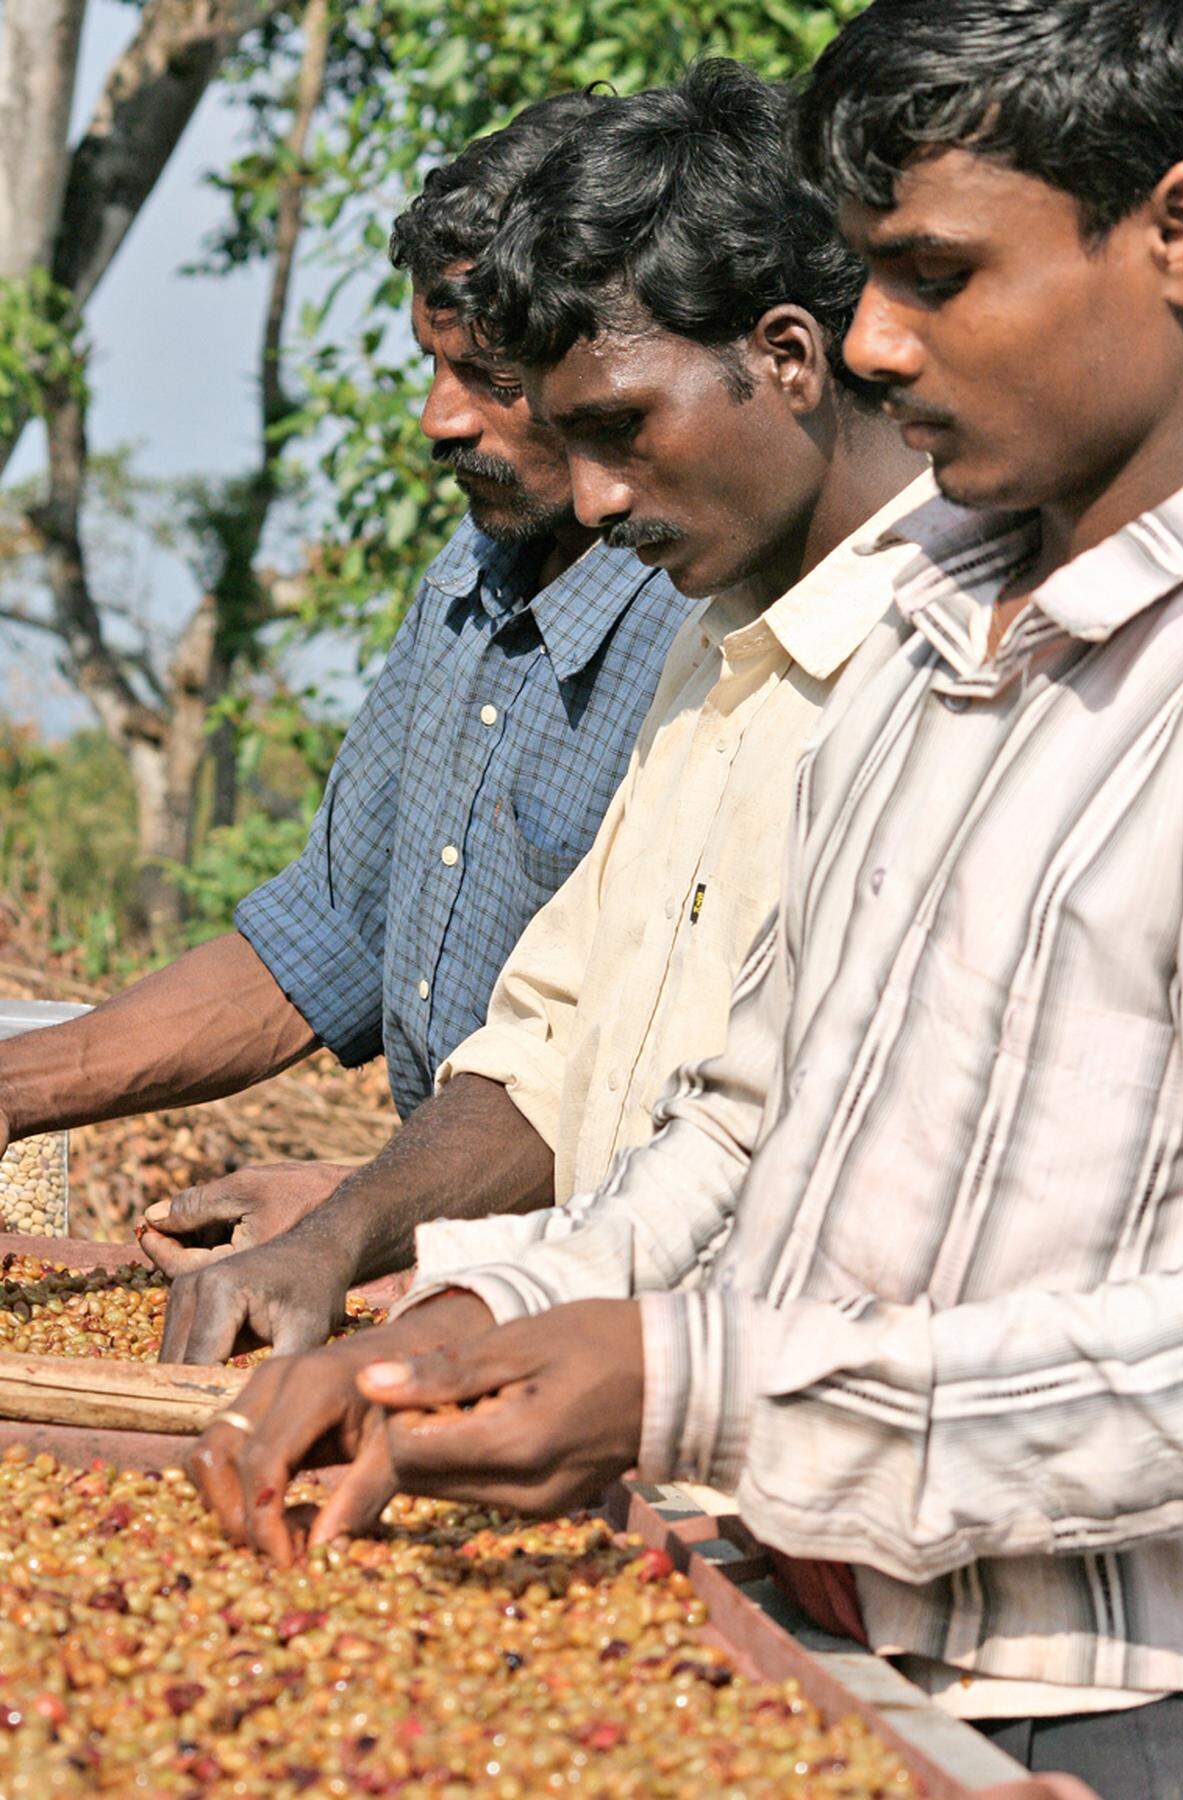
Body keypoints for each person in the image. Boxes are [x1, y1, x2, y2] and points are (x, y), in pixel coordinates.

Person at [194, 3, 1183, 1792]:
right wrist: (473, 1320)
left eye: (941, 275)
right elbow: (737, 1127)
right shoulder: (925, 645)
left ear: (1180, 234)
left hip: (1105, 1693)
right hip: (790, 1624)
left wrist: (684, 1385)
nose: (887, 341)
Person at [157, 60, 924, 1368]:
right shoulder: (715, 642)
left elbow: (819, 1190)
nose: (602, 499)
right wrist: (352, 1237)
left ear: (788, 356)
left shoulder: (945, 664)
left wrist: (461, 1287)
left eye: (624, 430)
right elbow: (555, 1052)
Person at [0, 93, 688, 1292]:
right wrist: (22, 1090)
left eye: (491, 378)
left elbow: (649, 1100)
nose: (438, 419)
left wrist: (365, 1217)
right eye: (433, 366)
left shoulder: (706, 625)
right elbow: (329, 934)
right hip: (457, 1244)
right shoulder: (469, 577)